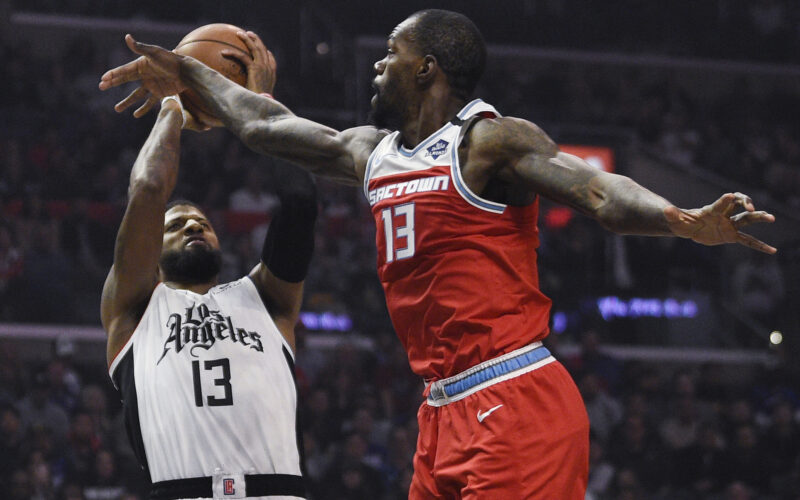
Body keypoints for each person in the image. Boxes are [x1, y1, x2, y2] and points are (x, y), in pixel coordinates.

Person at [99, 9, 776, 498]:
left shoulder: (489, 141)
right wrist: (186, 73)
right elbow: (264, 126)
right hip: (440, 411)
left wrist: (682, 220)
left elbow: (599, 191)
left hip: (513, 393)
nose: (377, 63)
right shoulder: (373, 151)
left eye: (391, 52)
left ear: (426, 68)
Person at [100, 36, 317, 499]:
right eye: (176, 225)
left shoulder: (264, 298)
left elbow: (300, 200)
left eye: (202, 222)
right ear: (151, 250)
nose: (195, 225)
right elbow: (149, 188)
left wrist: (257, 104)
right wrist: (173, 104)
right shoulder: (135, 308)